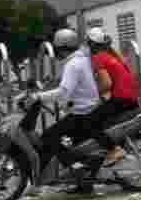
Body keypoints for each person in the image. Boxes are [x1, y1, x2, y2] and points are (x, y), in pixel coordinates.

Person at [32, 28, 101, 191]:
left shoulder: (73, 64)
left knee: (49, 136)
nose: (55, 52)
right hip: (87, 110)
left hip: (82, 113)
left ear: (62, 48)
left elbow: (64, 91)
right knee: (66, 142)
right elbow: (72, 88)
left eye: (56, 48)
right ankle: (83, 182)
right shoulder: (81, 60)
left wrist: (39, 97)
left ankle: (77, 168)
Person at [86, 27, 140, 165]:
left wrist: (91, 95)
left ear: (91, 44)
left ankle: (113, 149)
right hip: (131, 98)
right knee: (105, 119)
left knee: (89, 122)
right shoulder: (111, 56)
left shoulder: (97, 58)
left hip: (121, 98)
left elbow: (106, 84)